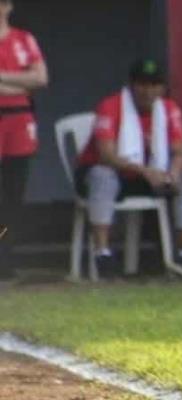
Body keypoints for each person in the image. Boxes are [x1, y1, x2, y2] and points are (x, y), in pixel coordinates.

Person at [76, 59, 182, 278]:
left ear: (162, 88)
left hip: (148, 177)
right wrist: (146, 171)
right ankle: (102, 253)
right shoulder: (111, 106)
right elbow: (106, 156)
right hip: (111, 174)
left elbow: (179, 152)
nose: (148, 91)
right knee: (102, 175)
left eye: (154, 85)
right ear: (132, 85)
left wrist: (172, 173)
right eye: (143, 84)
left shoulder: (169, 109)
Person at [0, 0, 48, 282]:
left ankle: (7, 258)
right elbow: (28, 79)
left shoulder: (23, 39)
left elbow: (40, 78)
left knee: (14, 193)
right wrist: (20, 82)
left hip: (20, 121)